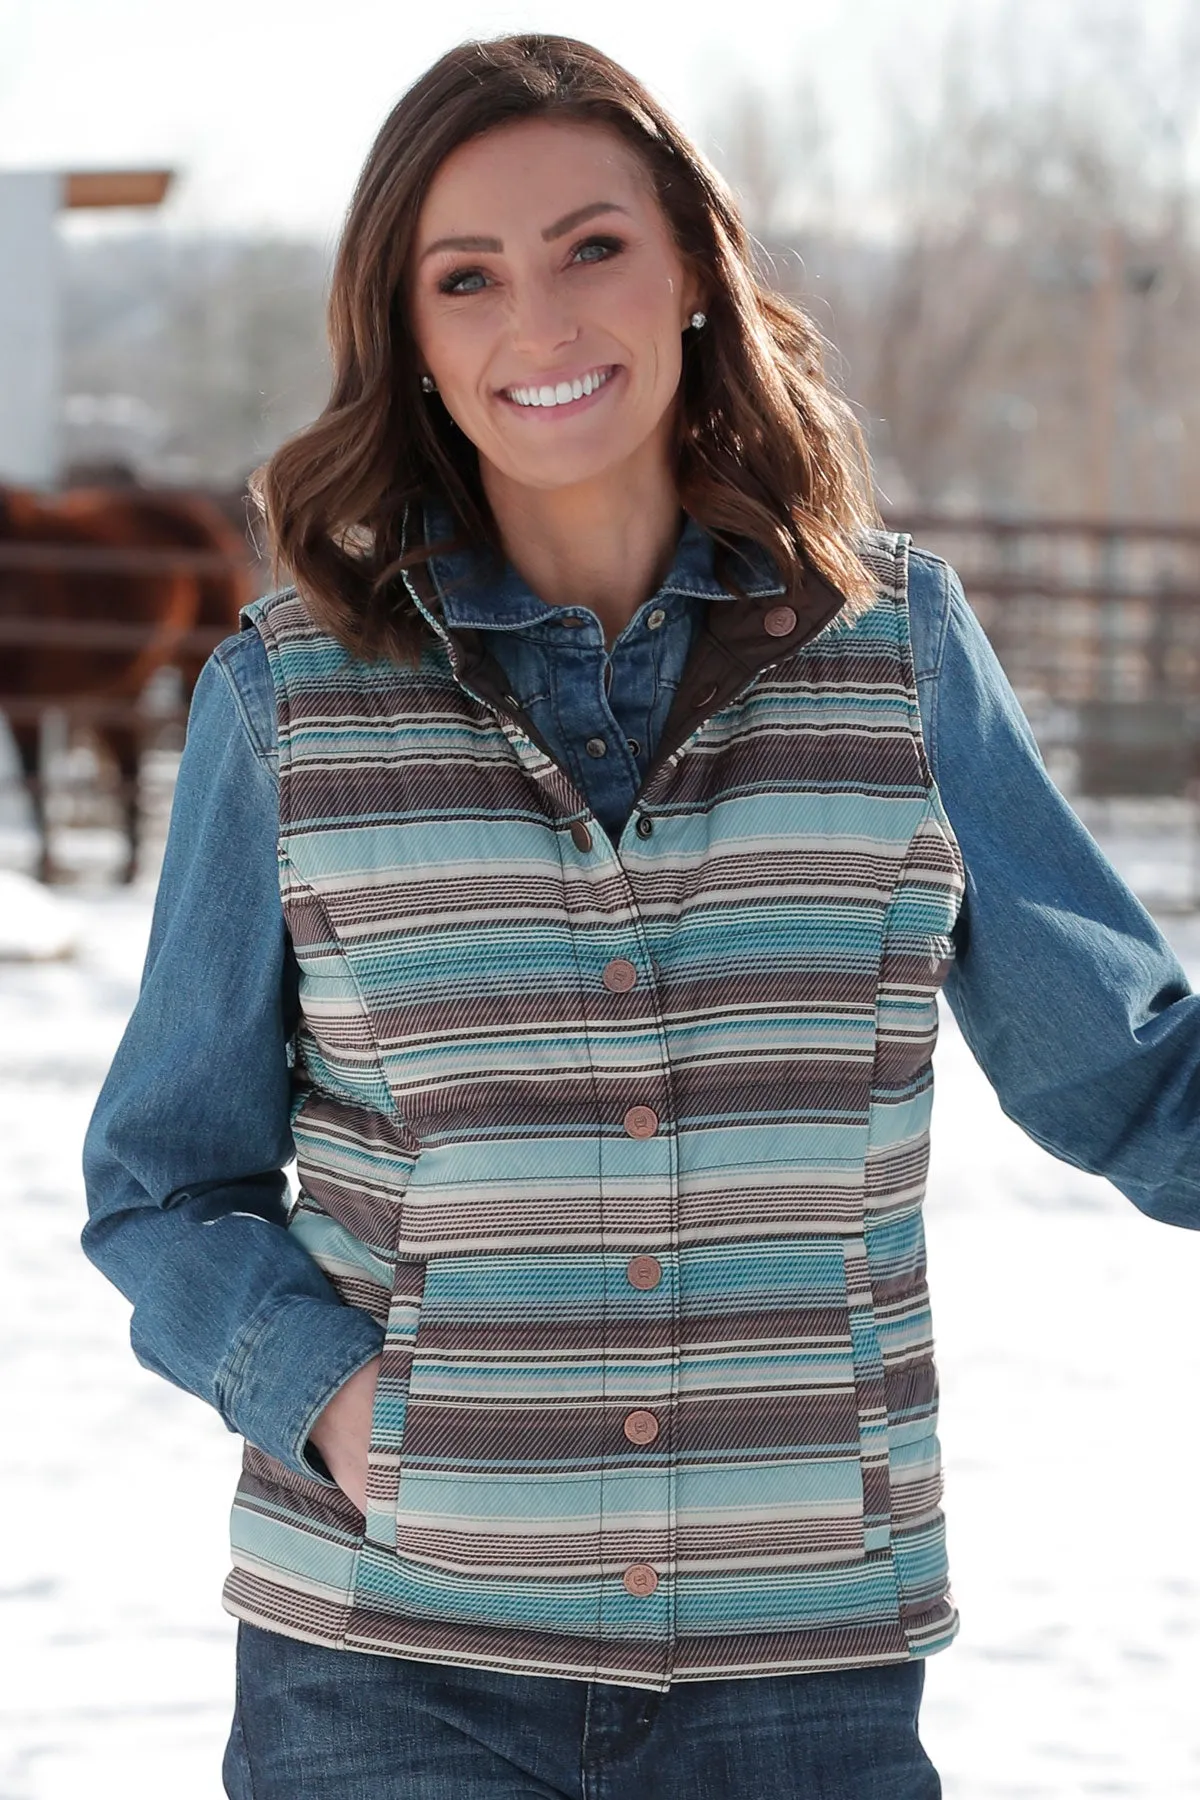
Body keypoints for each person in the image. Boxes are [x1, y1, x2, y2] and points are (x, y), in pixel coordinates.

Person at [80, 33, 1200, 1800]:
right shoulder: (288, 703)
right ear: (417, 342)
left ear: (689, 269)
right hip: (389, 1669)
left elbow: (1127, 1073)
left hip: (798, 1666)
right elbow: (162, 1180)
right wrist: (343, 1406)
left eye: (590, 245)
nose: (541, 318)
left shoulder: (900, 658)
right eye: (469, 278)